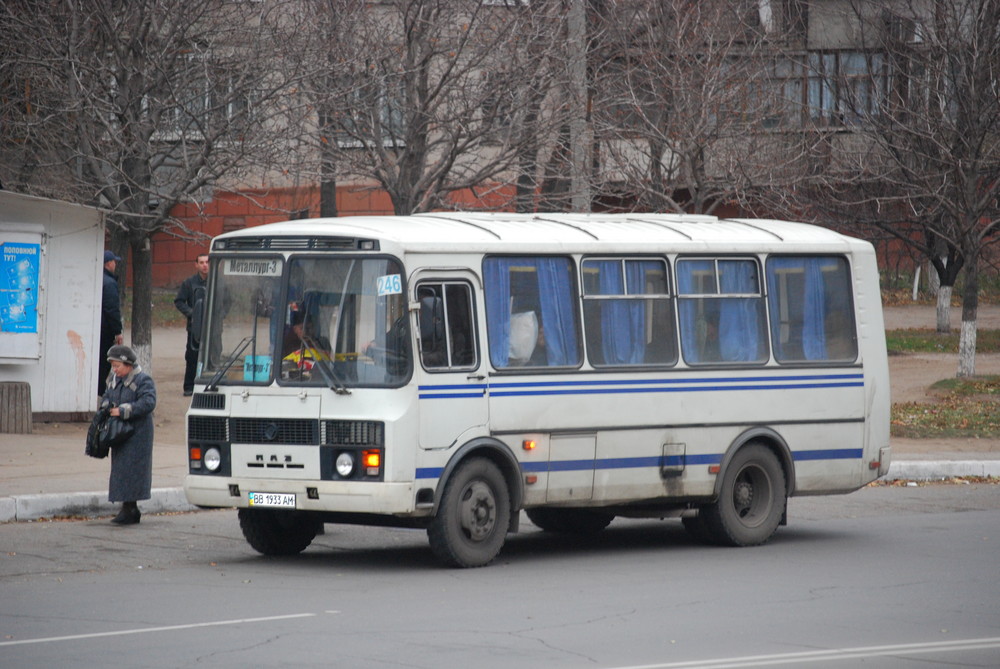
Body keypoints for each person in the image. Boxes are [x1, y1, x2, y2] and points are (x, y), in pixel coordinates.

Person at [100, 344, 157, 525]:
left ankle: (130, 508)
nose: (115, 369)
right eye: (113, 366)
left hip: (138, 434)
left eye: (117, 366)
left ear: (128, 364)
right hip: (120, 433)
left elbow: (149, 402)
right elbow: (107, 395)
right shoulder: (113, 378)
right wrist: (106, 407)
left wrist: (125, 410)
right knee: (121, 470)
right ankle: (128, 507)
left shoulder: (143, 380)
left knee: (133, 471)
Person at [174, 253, 209, 396]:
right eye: (201, 262)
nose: (205, 265)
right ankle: (189, 386)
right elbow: (179, 301)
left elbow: (227, 301)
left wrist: (219, 315)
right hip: (194, 327)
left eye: (207, 262)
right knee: (192, 356)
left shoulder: (216, 282)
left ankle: (208, 384)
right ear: (196, 265)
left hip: (213, 328)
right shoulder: (189, 283)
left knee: (212, 355)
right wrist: (192, 314)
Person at [98, 250, 124, 396]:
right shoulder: (109, 283)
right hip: (105, 331)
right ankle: (100, 393)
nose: (115, 264)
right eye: (114, 261)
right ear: (108, 263)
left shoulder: (100, 279)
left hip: (98, 329)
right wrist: (117, 331)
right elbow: (112, 310)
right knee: (103, 364)